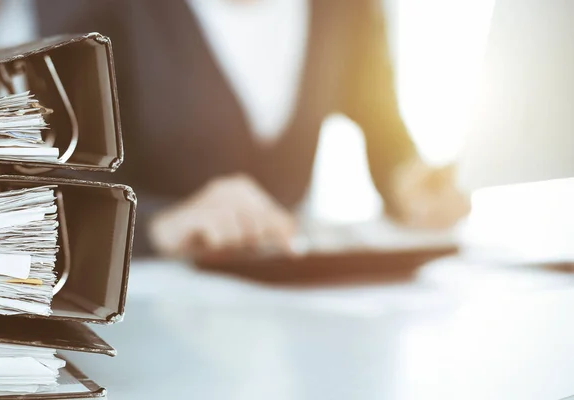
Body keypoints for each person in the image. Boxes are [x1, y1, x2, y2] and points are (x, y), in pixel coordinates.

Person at [32, 0, 468, 258]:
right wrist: (158, 224)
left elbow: (383, 129)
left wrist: (411, 186)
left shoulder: (345, 8)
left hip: (291, 299)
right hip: (151, 301)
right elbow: (51, 184)